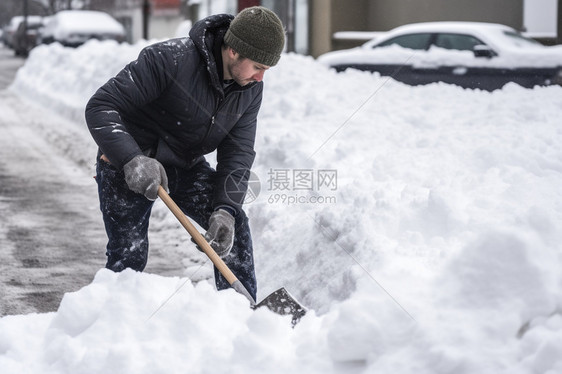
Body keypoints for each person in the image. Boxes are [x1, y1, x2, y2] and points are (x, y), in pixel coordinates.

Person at [84, 6, 285, 302]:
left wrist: (226, 208)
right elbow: (101, 106)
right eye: (258, 66)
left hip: (184, 164)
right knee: (129, 256)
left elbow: (238, 150)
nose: (261, 77)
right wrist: (131, 159)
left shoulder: (249, 89)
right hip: (129, 164)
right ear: (233, 52)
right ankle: (114, 322)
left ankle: (241, 314)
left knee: (232, 228)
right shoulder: (169, 60)